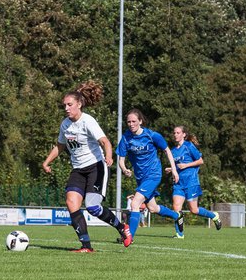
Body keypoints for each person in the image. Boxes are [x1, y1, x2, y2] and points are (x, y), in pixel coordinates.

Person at [41, 79, 132, 252]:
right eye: (64, 105)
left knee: (92, 207)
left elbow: (105, 141)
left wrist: (109, 156)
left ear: (79, 104)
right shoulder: (65, 124)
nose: (66, 108)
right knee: (71, 203)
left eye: (70, 104)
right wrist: (46, 162)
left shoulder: (88, 121)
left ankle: (122, 228)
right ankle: (86, 246)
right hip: (78, 170)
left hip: (96, 167)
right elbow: (60, 146)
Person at [117, 109, 182, 239]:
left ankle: (129, 237)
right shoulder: (125, 138)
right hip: (140, 178)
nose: (131, 124)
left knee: (135, 204)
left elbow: (167, 151)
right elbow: (121, 159)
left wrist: (174, 170)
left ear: (140, 121)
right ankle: (177, 216)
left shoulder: (152, 136)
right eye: (128, 122)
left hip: (153, 174)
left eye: (134, 121)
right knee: (153, 208)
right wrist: (124, 169)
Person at [169, 125, 223, 234]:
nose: (175, 135)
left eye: (178, 133)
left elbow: (200, 161)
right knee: (176, 208)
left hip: (191, 182)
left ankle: (214, 216)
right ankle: (179, 234)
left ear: (184, 134)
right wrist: (171, 169)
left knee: (194, 210)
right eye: (174, 133)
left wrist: (186, 165)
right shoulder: (173, 151)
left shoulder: (189, 146)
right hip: (178, 183)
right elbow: (177, 166)